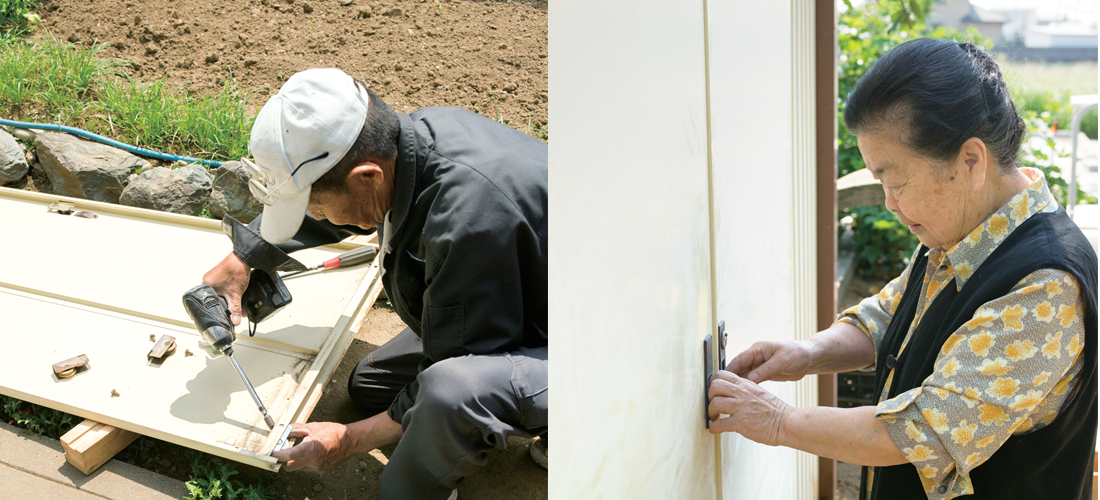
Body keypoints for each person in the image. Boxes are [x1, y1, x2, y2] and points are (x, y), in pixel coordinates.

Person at [707, 38, 1096, 500]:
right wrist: (808, 353)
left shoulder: (1047, 284)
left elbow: (926, 428)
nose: (890, 204)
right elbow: (891, 314)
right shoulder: (963, 225)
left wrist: (777, 419)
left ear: (970, 160)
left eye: (897, 181)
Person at [201, 68, 548, 499]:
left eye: (320, 208)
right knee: (372, 385)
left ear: (367, 176)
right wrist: (244, 257)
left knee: (449, 395)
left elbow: (463, 362)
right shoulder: (406, 145)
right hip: (538, 299)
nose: (320, 217)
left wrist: (350, 440)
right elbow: (335, 201)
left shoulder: (469, 222)